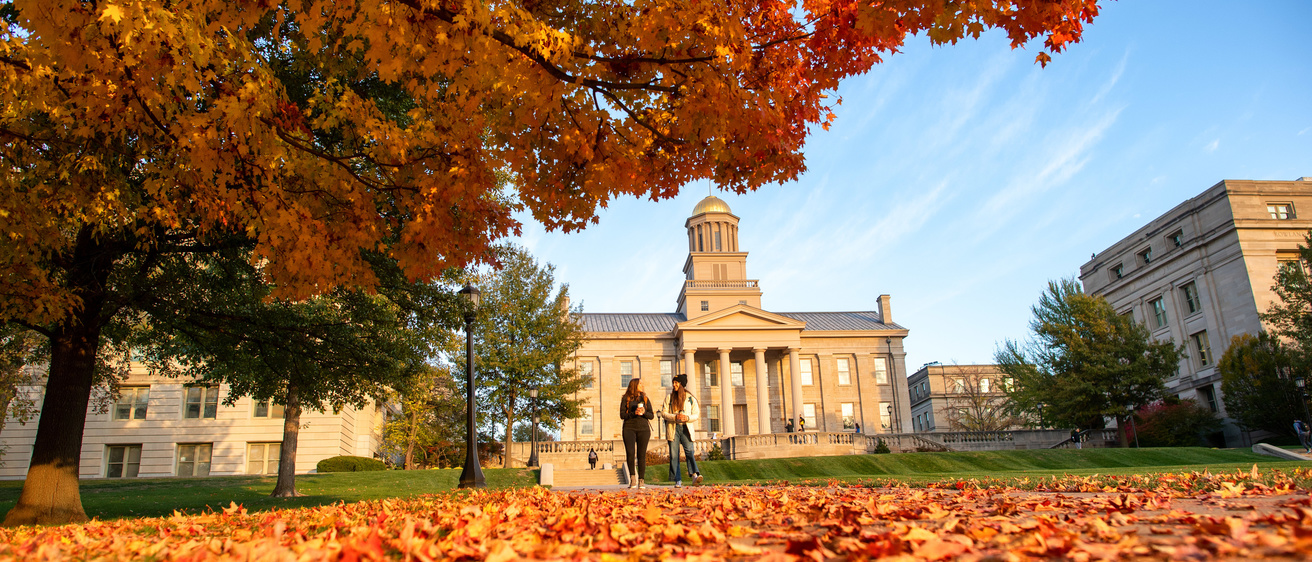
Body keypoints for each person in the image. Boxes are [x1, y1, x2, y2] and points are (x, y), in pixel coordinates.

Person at [660, 374, 704, 487]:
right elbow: (663, 413)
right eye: (673, 382)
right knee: (674, 455)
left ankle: (694, 474)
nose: (674, 384)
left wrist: (687, 418)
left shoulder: (690, 398)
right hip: (673, 428)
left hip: (685, 428)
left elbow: (696, 414)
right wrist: (675, 417)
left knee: (689, 451)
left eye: (676, 382)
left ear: (682, 384)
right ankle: (677, 480)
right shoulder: (669, 398)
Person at [619, 378, 654, 489]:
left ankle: (641, 480)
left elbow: (651, 415)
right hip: (629, 428)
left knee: (641, 455)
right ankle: (632, 478)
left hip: (643, 429)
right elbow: (622, 415)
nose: (642, 385)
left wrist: (643, 413)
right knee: (630, 453)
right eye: (640, 383)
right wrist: (634, 413)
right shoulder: (626, 398)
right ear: (634, 385)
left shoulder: (645, 399)